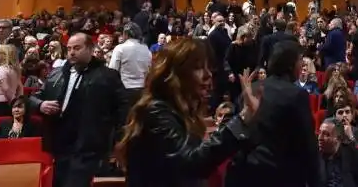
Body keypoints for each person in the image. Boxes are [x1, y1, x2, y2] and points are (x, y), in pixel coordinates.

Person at [117, 38, 259, 187]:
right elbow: (190, 164)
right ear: (177, 74)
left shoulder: (179, 112)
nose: (208, 75)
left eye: (208, 68)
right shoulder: (156, 112)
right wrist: (243, 117)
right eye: (198, 68)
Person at [30, 32, 127, 187]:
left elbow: (123, 109)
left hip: (90, 144)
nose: (72, 52)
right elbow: (34, 98)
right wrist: (41, 105)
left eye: (77, 48)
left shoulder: (108, 76)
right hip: (61, 143)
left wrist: (119, 139)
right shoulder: (57, 74)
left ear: (90, 49)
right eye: (69, 49)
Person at [228, 40, 320, 187]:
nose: (301, 66)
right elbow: (307, 145)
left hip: (247, 173)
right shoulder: (296, 95)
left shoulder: (251, 89)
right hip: (282, 176)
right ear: (291, 65)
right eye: (300, 62)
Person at [108, 22, 152, 124]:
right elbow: (149, 71)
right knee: (138, 123)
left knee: (124, 124)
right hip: (142, 91)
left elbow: (112, 71)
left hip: (124, 90)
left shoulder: (120, 48)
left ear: (125, 34)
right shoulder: (146, 50)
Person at [317, 118, 358, 187]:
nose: (320, 138)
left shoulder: (352, 153)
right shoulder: (313, 156)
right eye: (319, 132)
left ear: (339, 138)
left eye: (326, 134)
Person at [0, 44, 22, 119]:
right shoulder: (14, 70)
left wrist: (14, 103)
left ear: (5, 55)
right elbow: (20, 89)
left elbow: (5, 88)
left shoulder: (2, 69)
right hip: (5, 104)